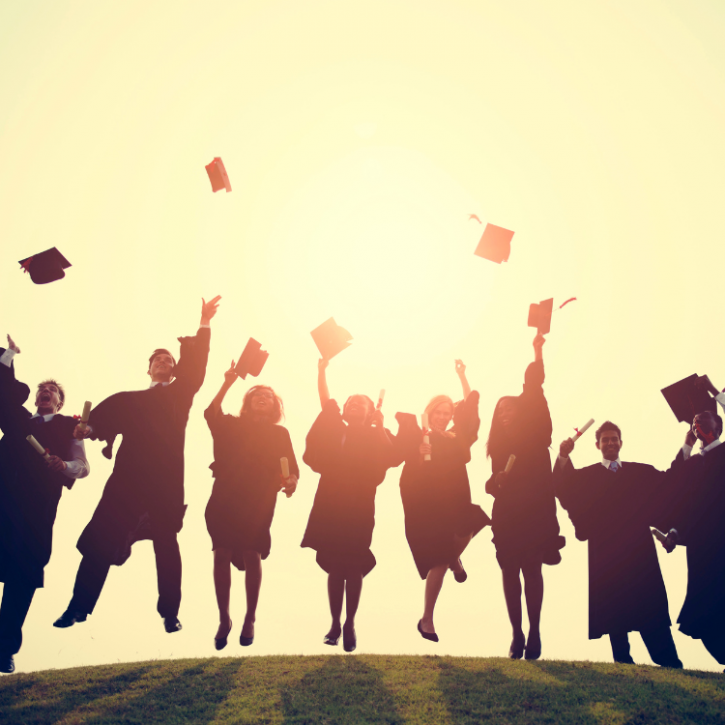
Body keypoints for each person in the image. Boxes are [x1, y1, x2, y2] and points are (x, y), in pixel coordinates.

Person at [53, 296, 220, 634]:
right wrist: (90, 428)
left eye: (169, 359)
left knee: (167, 544)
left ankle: (170, 612)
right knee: (100, 540)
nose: (163, 361)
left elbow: (198, 366)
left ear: (174, 370)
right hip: (126, 482)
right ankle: (78, 606)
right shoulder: (129, 400)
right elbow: (99, 422)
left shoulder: (179, 396)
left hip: (165, 482)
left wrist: (204, 323)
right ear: (149, 368)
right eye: (158, 359)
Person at [554, 421, 682, 667]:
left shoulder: (639, 473)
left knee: (650, 602)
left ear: (621, 443)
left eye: (614, 439)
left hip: (639, 550)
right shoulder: (586, 476)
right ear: (597, 445)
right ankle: (622, 660)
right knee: (614, 603)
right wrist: (562, 455)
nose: (610, 443)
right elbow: (562, 487)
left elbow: (669, 483)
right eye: (605, 440)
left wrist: (686, 446)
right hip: (606, 550)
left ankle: (668, 660)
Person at [0, 336, 89, 674]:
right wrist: (10, 354)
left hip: (36, 511)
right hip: (3, 498)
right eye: (41, 390)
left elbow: (82, 466)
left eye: (51, 391)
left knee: (22, 574)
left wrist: (62, 467)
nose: (44, 393)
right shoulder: (18, 421)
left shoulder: (71, 427)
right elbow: (3, 392)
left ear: (59, 401)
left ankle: (4, 647)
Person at [301, 357, 395, 653]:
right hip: (330, 500)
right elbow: (325, 402)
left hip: (360, 503)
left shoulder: (376, 432)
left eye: (361, 403)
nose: (354, 404)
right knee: (334, 564)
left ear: (370, 412)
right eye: (350, 401)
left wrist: (380, 427)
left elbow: (390, 457)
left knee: (353, 563)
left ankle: (350, 623)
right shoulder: (336, 429)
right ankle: (333, 623)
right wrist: (321, 371)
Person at [204, 362, 298, 649]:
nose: (262, 397)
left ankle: (250, 618)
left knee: (252, 552)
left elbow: (292, 468)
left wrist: (291, 481)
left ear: (274, 407)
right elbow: (210, 413)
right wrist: (227, 382)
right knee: (221, 552)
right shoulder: (231, 424)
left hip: (259, 498)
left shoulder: (280, 434)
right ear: (247, 402)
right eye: (256, 393)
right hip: (224, 496)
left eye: (268, 396)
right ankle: (224, 618)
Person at [395, 360, 490, 643]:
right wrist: (417, 449)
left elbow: (470, 414)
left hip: (455, 497)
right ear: (429, 412)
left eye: (447, 413)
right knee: (438, 560)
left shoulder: (455, 437)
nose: (443, 416)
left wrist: (463, 376)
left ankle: (454, 559)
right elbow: (398, 452)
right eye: (438, 412)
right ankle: (427, 619)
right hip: (425, 501)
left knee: (472, 522)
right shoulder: (417, 433)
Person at [485, 333, 564, 660]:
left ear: (521, 410)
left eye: (509, 407)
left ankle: (534, 631)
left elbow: (533, 386)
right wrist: (497, 480)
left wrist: (537, 349)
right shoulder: (499, 447)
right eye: (499, 410)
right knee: (509, 570)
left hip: (535, 510)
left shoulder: (536, 433)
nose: (504, 412)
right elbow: (490, 485)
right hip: (507, 512)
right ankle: (516, 633)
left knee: (533, 568)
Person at [661, 375, 725, 669]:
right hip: (701, 550)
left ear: (719, 425)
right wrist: (674, 533)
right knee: (702, 616)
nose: (698, 422)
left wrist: (714, 392)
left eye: (705, 418)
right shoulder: (693, 464)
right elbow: (677, 492)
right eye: (695, 421)